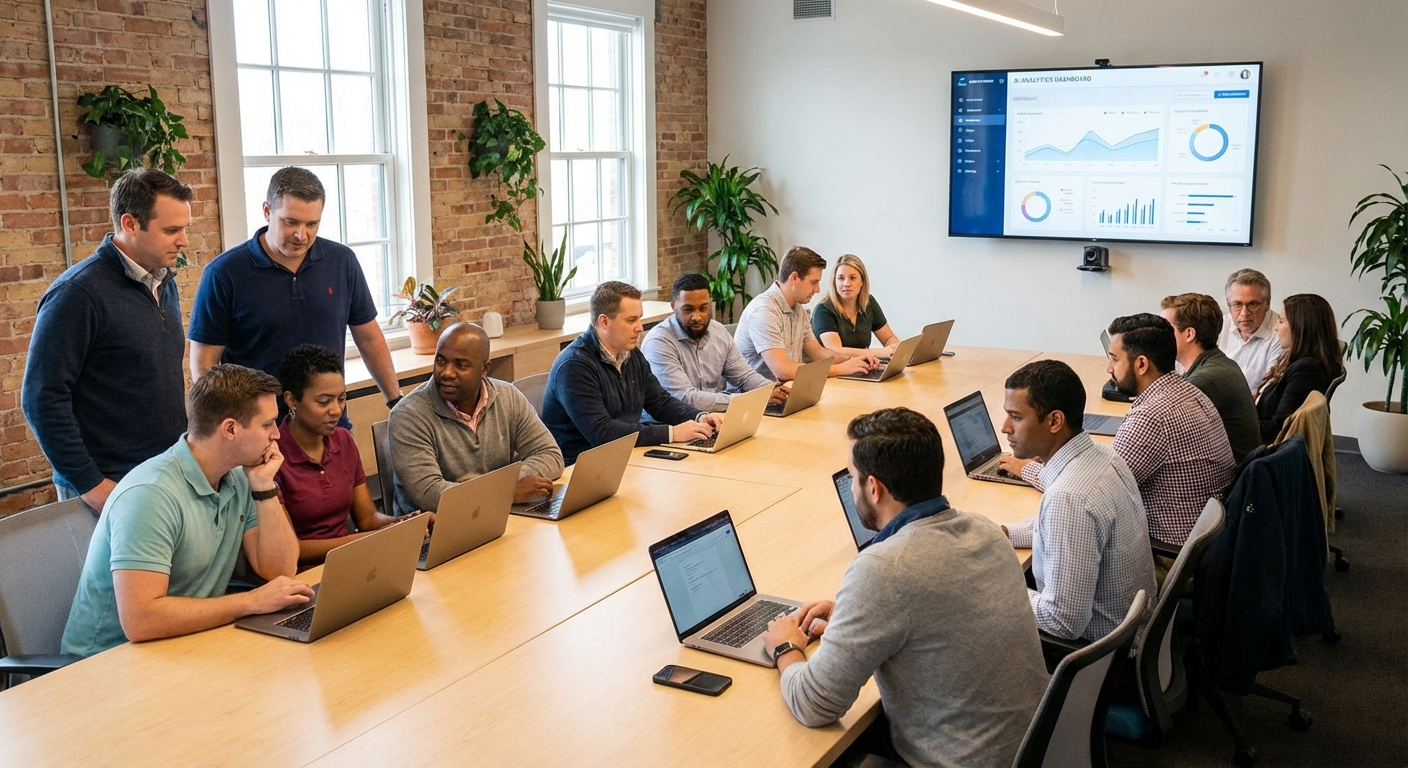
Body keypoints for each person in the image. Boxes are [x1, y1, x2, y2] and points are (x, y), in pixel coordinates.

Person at [760, 408, 1048, 768]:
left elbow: (814, 704)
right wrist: (854, 617)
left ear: (874, 488)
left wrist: (785, 646)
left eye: (852, 477)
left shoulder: (884, 569)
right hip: (1031, 748)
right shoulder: (986, 530)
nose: (851, 488)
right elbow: (935, 609)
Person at [61, 365, 315, 658]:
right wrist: (250, 602)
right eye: (268, 424)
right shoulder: (149, 495)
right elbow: (140, 620)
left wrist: (264, 486)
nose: (277, 435)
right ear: (230, 429)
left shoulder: (241, 475)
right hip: (105, 663)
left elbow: (280, 569)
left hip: (181, 644)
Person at [21, 168, 193, 513]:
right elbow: (42, 397)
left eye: (185, 228)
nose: (184, 240)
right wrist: (91, 485)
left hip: (162, 474)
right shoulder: (77, 293)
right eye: (172, 230)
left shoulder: (163, 281)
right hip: (105, 485)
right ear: (130, 224)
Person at [1003, 314, 1235, 548]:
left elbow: (1089, 495)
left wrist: (1029, 470)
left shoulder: (1150, 417)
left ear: (1141, 364)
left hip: (1162, 552)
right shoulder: (1187, 391)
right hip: (1199, 544)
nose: (1108, 368)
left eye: (1114, 359)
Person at [187, 167, 403, 418]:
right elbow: (204, 364)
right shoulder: (224, 273)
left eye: (312, 224)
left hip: (330, 423)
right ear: (267, 211)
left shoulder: (342, 261)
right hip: (258, 429)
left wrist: (396, 402)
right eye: (290, 222)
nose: (302, 235)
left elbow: (369, 338)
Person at [999, 360, 1156, 643]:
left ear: (1055, 421)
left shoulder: (1069, 499)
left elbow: (1062, 622)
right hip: (1132, 636)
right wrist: (1006, 535)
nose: (1005, 428)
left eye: (1016, 417)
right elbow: (1070, 532)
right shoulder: (1105, 457)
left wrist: (994, 586)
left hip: (1097, 657)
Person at [541, 282, 722, 464]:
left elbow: (660, 402)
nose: (640, 327)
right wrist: (672, 433)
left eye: (639, 318)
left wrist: (699, 417)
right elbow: (602, 432)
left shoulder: (631, 353)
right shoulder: (574, 366)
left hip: (625, 457)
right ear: (604, 322)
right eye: (631, 320)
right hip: (579, 466)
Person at [391, 323, 565, 512]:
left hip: (495, 513)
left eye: (461, 365)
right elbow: (431, 495)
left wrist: (501, 491)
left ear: (485, 369)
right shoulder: (408, 416)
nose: (447, 373)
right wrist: (504, 492)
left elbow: (550, 455)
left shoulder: (508, 396)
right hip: (436, 529)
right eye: (441, 361)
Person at [275, 344, 403, 566]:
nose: (336, 410)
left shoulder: (343, 440)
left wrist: (406, 524)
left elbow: (368, 519)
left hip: (349, 559)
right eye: (324, 402)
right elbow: (291, 549)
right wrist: (363, 541)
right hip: (303, 575)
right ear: (292, 400)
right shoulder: (272, 457)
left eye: (341, 399)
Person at [640, 272, 786, 413]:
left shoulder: (718, 331)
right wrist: (749, 400)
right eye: (688, 309)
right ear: (673, 306)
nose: (697, 317)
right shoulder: (658, 342)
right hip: (673, 425)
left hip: (714, 417)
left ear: (710, 304)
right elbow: (686, 398)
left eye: (703, 308)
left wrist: (771, 389)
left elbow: (744, 377)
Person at [735, 246, 879, 381]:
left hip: (788, 391)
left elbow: (818, 354)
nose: (817, 289)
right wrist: (841, 369)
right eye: (813, 282)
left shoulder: (798, 309)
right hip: (756, 400)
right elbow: (782, 370)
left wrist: (853, 360)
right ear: (795, 278)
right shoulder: (764, 311)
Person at [1160, 293, 1262, 461]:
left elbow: (1162, 435)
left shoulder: (1204, 381)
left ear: (1189, 334)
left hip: (1226, 481)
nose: (1160, 336)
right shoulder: (1217, 362)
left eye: (1166, 329)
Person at [1255, 293, 1344, 443]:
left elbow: (1278, 431)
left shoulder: (1307, 371)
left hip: (1262, 451)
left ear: (1301, 327)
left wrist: (1237, 422)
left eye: (1281, 321)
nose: (1276, 327)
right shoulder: (1301, 361)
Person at [811, 253, 900, 356]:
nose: (846, 283)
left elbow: (889, 338)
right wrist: (877, 352)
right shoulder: (823, 310)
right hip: (835, 370)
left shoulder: (869, 302)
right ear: (834, 282)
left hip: (864, 366)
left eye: (852, 278)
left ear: (862, 281)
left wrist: (894, 349)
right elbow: (835, 351)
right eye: (841, 278)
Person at [1217, 268, 1284, 391]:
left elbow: (1270, 390)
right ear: (1228, 304)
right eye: (1237, 304)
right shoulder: (1219, 326)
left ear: (1267, 303)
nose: (1244, 313)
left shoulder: (1281, 333)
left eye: (1253, 304)